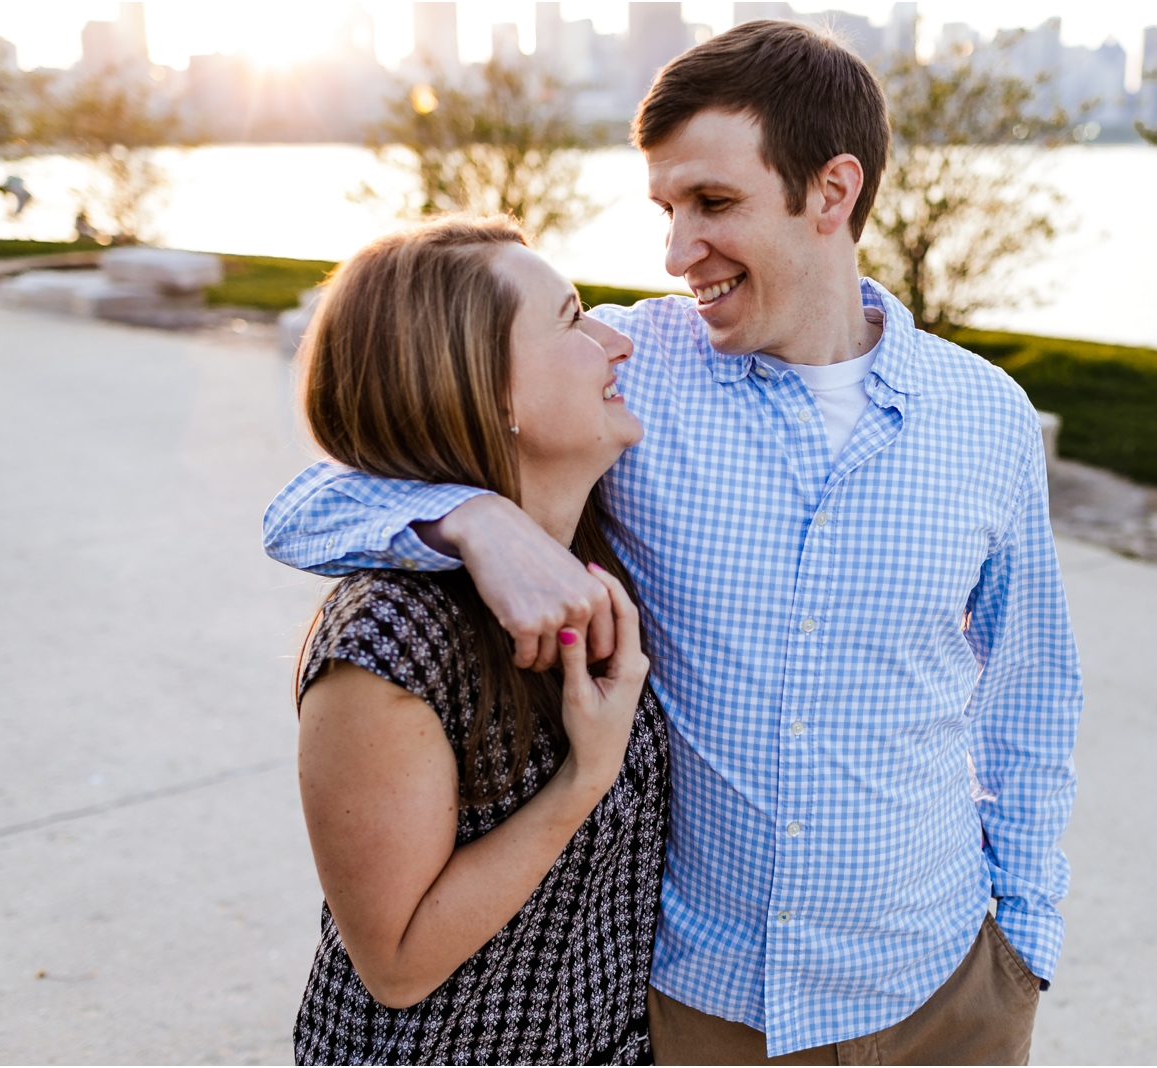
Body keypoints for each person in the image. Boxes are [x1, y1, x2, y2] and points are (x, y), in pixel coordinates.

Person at [266, 20, 1082, 1065]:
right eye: (664, 208)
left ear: (832, 194)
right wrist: (469, 520)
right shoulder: (626, 371)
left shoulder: (986, 417)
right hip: (698, 1003)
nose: (674, 250)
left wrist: (1025, 937)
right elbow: (311, 497)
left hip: (943, 986)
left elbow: (1030, 692)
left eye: (713, 204)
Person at [286, 215, 668, 1065]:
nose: (616, 340)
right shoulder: (389, 639)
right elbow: (394, 964)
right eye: (571, 319)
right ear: (493, 394)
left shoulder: (603, 551)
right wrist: (587, 777)